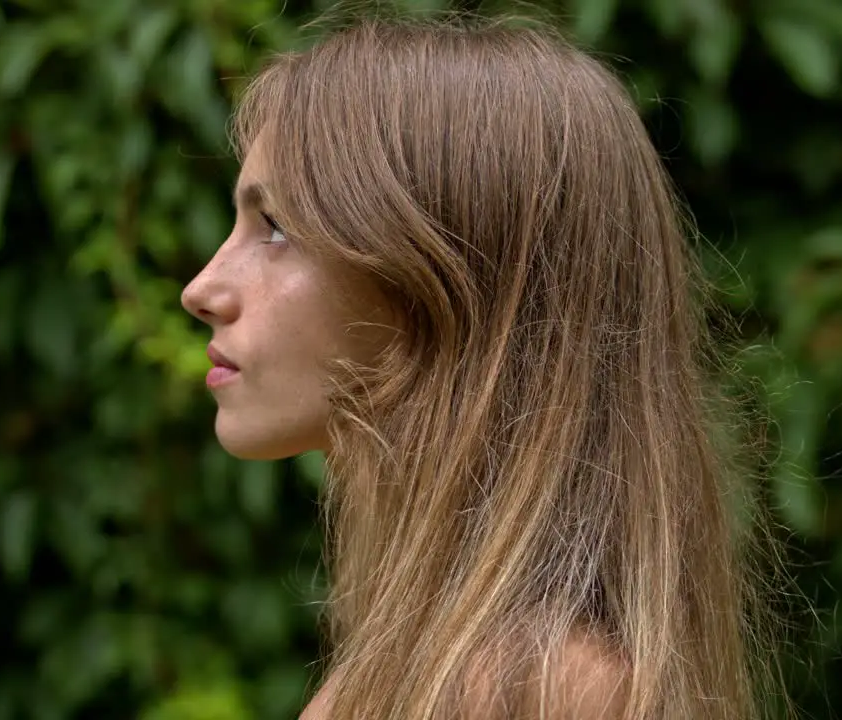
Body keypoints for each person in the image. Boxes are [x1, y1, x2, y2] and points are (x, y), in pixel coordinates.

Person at [181, 13, 783, 720]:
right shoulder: (442, 668)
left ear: (450, 279)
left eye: (277, 228)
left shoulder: (538, 689)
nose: (202, 289)